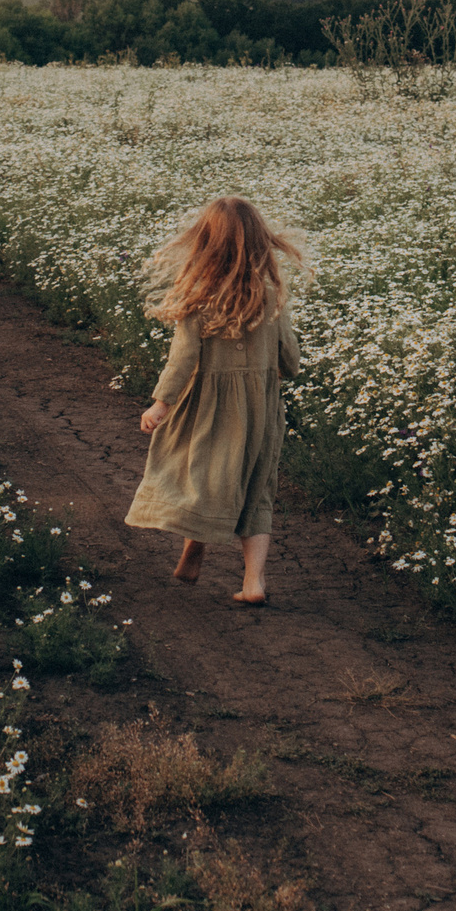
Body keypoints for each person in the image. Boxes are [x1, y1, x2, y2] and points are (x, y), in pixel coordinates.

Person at [124, 197, 303, 606]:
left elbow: (183, 358)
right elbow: (289, 359)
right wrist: (278, 366)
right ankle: (254, 582)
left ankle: (196, 544)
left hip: (209, 406)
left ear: (205, 242)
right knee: (257, 489)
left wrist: (160, 405)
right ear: (261, 242)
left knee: (204, 474)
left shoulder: (198, 296)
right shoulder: (271, 295)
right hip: (261, 410)